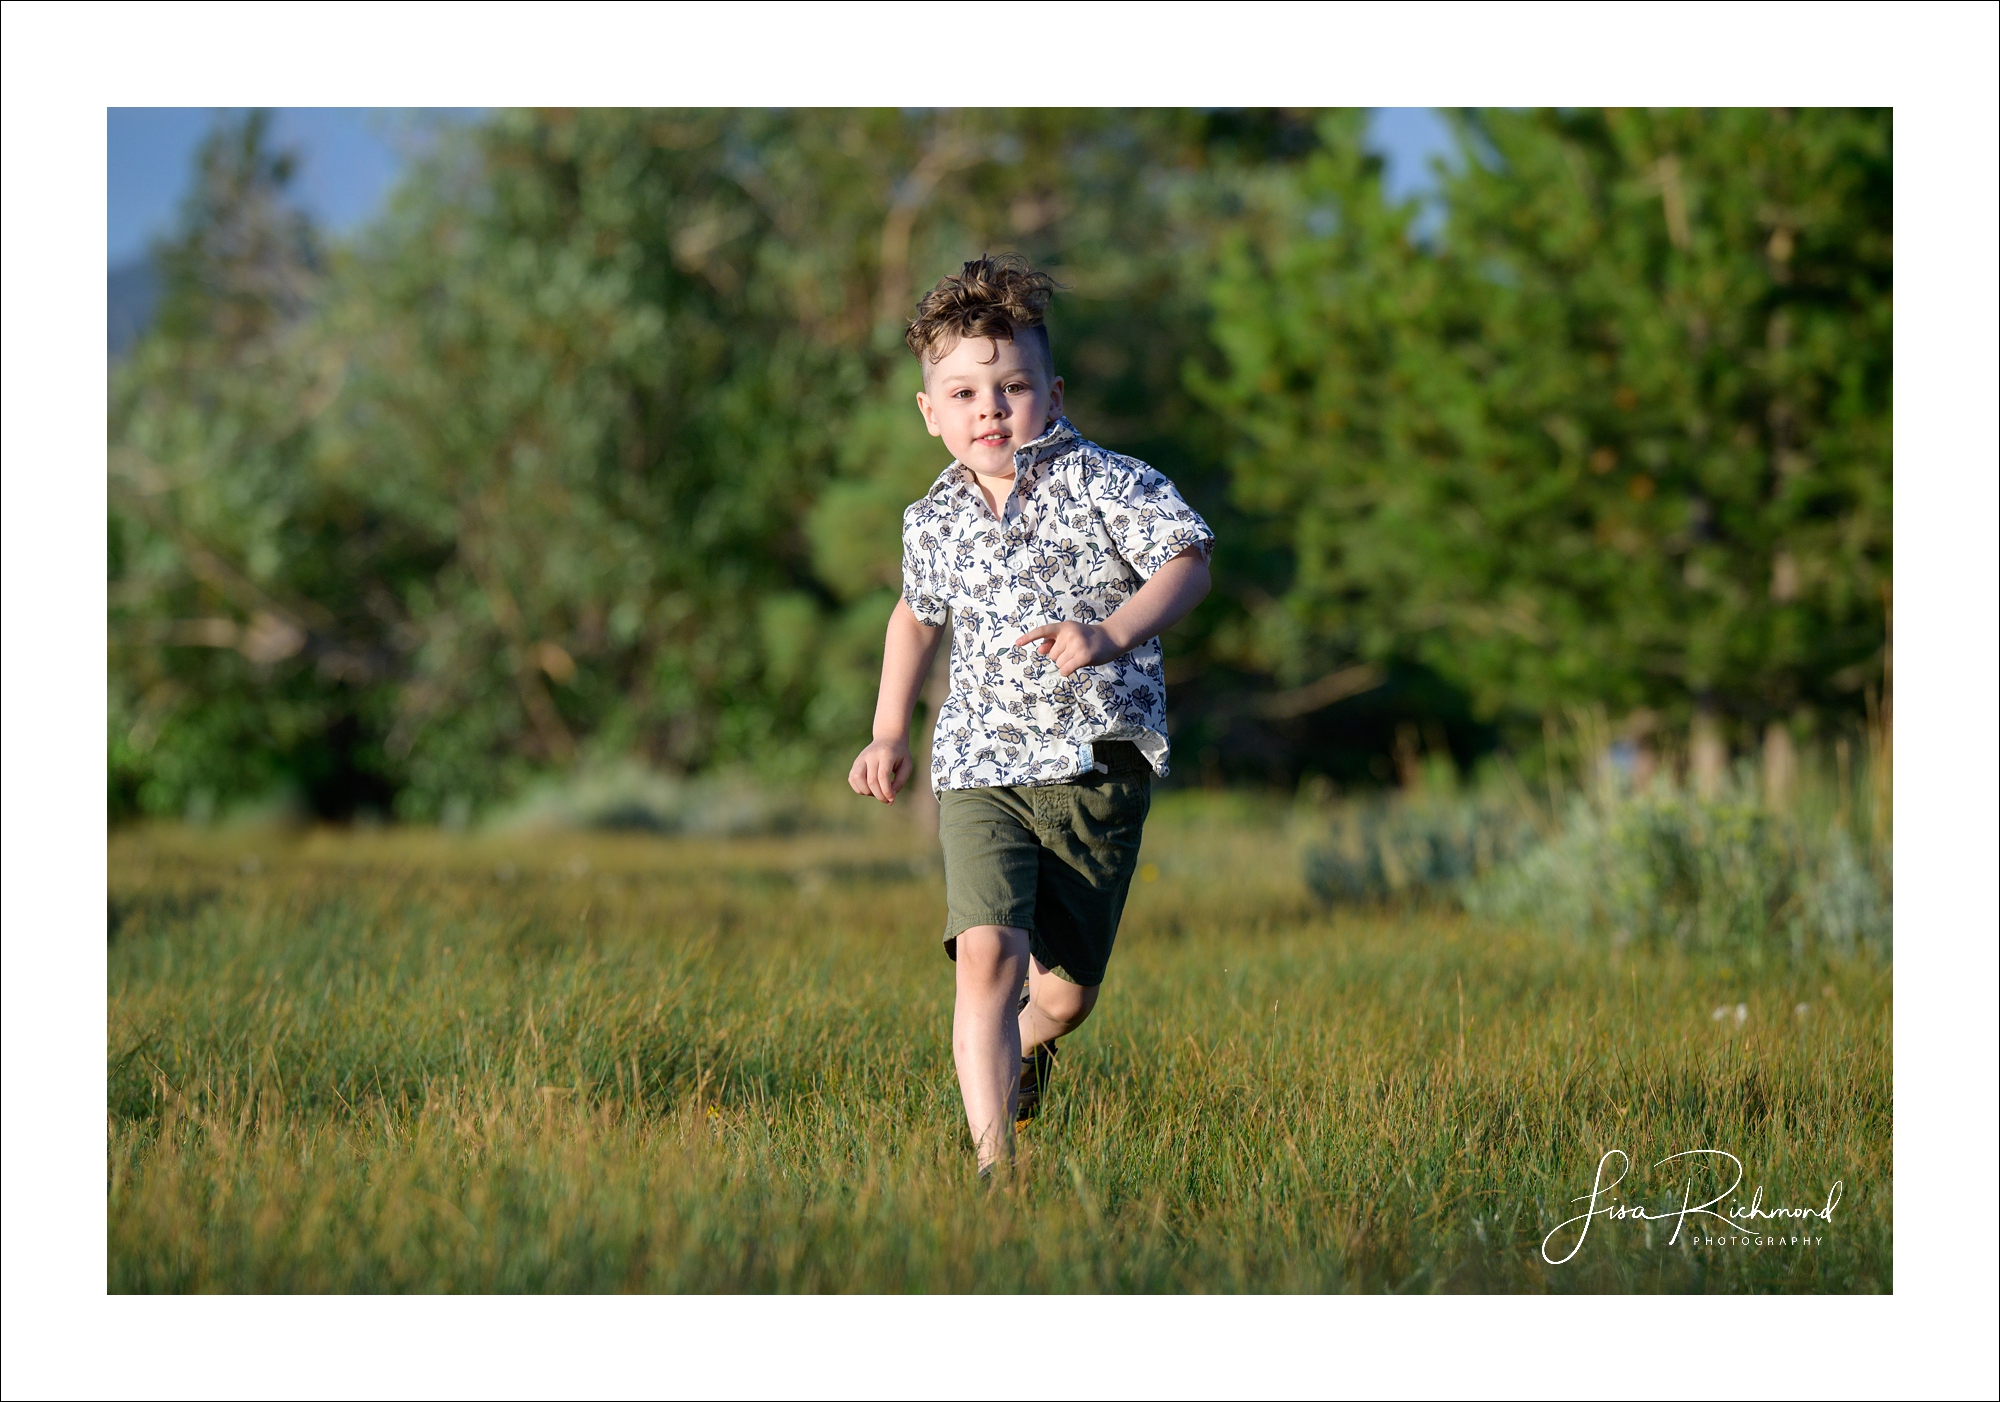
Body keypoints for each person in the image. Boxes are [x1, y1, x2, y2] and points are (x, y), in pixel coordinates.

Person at [848, 255, 1215, 1177]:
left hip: (1098, 765)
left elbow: (1188, 561)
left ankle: (1032, 1049)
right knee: (986, 955)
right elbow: (914, 615)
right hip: (980, 767)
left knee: (1063, 998)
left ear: (1052, 391)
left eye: (1012, 387)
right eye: (965, 392)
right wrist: (890, 730)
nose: (991, 410)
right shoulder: (930, 518)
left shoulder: (1110, 482)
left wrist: (1112, 630)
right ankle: (993, 1170)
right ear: (930, 412)